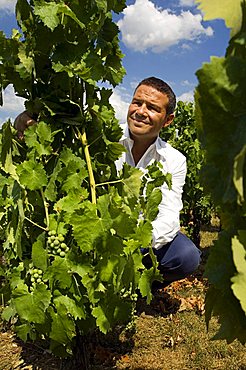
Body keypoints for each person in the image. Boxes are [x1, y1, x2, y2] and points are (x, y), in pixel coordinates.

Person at [14, 76, 201, 287]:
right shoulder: (98, 137)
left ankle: (137, 287)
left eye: (152, 108)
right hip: (89, 232)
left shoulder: (175, 160)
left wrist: (131, 243)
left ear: (168, 120)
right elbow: (48, 136)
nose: (140, 111)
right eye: (137, 102)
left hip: (136, 241)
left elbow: (169, 217)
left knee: (186, 256)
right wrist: (23, 119)